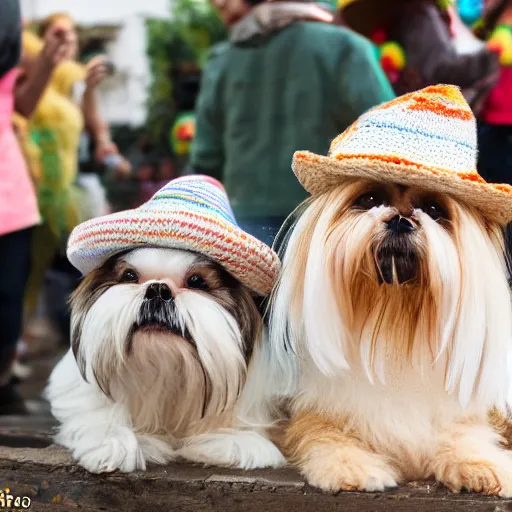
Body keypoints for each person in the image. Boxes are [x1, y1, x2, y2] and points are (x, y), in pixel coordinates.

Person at [190, 0, 395, 245]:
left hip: (242, 234)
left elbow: (205, 160)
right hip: (325, 230)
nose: (217, 2)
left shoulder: (221, 61)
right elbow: (389, 138)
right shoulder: (344, 47)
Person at [0, 0, 73, 414]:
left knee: (9, 296)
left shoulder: (10, 24)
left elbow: (22, 104)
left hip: (8, 185)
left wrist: (46, 58)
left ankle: (3, 382)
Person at [338, 0, 499, 108]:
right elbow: (440, 73)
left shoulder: (379, 12)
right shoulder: (418, 13)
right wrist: (492, 55)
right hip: (417, 120)